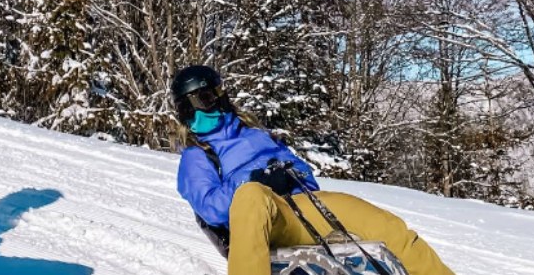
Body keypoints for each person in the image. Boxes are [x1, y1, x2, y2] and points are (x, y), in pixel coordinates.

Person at [172, 65, 455, 275]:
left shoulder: (256, 133)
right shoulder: (197, 155)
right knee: (251, 195)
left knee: (382, 223)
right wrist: (253, 181)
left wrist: (287, 175)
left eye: (211, 97)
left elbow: (305, 173)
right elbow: (211, 209)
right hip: (260, 220)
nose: (210, 107)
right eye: (201, 102)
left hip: (300, 208)